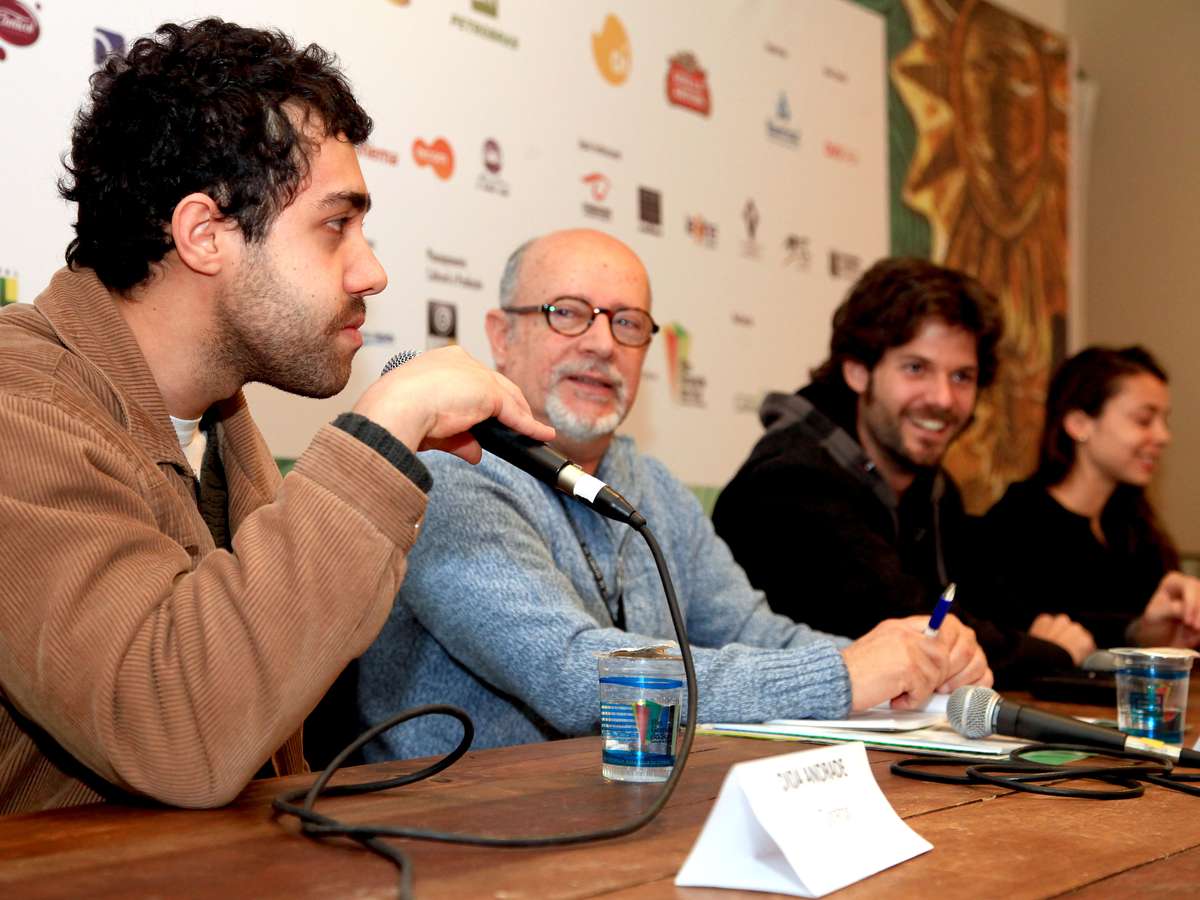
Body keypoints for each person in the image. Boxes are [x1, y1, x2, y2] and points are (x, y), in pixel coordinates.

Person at [0, 19, 551, 816]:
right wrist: (383, 431)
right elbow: (175, 732)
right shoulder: (19, 406)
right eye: (336, 225)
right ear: (204, 234)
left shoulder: (224, 428)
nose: (372, 271)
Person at [356, 230, 990, 762]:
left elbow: (753, 631)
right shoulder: (448, 471)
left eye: (627, 324)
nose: (602, 344)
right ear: (501, 335)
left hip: (623, 812)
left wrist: (908, 661)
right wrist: (845, 675)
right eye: (567, 313)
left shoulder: (654, 488)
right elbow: (573, 675)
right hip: (453, 833)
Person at [712, 257, 1092, 686]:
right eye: (916, 368)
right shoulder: (789, 483)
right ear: (858, 371)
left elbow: (984, 605)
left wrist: (1060, 634)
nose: (943, 398)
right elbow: (911, 626)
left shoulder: (934, 489)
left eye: (962, 376)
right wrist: (1051, 652)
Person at [969, 346, 1200, 649]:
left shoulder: (1135, 527)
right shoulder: (1016, 524)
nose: (1163, 436)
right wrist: (1136, 631)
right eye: (1144, 420)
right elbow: (1022, 629)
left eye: (1164, 421)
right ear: (1079, 424)